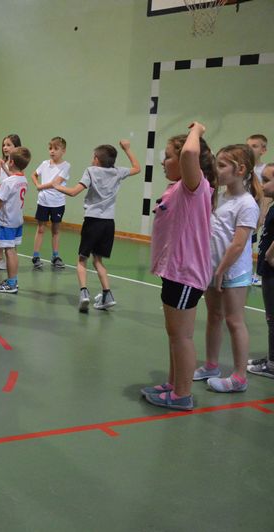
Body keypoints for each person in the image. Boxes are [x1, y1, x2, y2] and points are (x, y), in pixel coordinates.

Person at [142, 122, 215, 411]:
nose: (164, 161)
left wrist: (197, 130)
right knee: (174, 334)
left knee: (182, 336)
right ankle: (173, 384)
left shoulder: (193, 187)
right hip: (174, 271)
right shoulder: (178, 189)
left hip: (186, 273)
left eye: (168, 156)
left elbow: (189, 154)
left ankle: (182, 395)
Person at [192, 144, 261, 392]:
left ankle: (239, 377)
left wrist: (221, 271)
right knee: (214, 316)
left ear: (240, 170)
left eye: (222, 165)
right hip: (212, 270)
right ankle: (211, 365)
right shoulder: (219, 196)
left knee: (234, 321)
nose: (216, 169)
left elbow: (238, 244)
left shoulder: (247, 204)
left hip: (233, 273)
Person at [53, 141, 140, 311]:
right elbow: (137, 168)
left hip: (92, 221)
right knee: (98, 260)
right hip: (108, 223)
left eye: (93, 157)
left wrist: (57, 186)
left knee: (82, 259)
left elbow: (73, 192)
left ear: (97, 159)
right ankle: (107, 294)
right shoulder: (118, 172)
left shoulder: (91, 171)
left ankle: (84, 293)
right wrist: (127, 149)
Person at [0, 147, 32, 294]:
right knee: (13, 250)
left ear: (11, 162)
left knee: (9, 251)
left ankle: (12, 283)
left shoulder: (8, 182)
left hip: (7, 222)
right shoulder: (23, 179)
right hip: (18, 220)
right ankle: (13, 280)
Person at [248, 163, 274, 379]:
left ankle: (272, 364)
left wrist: (270, 255)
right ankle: (271, 356)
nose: (262, 184)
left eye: (266, 180)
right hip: (267, 269)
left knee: (272, 317)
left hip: (272, 270)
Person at [30, 137, 70, 271]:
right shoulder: (44, 164)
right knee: (41, 229)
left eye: (56, 149)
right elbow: (33, 175)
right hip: (43, 202)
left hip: (58, 203)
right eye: (50, 148)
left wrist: (40, 186)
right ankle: (36, 256)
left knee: (56, 230)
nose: (52, 151)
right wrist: (37, 184)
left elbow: (55, 183)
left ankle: (55, 256)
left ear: (63, 151)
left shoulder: (66, 166)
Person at [0, 134, 22, 269]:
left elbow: (15, 178)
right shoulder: (3, 163)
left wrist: (4, 167)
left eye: (8, 145)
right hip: (1, 202)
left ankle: (9, 260)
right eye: (4, 145)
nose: (5, 148)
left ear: (16, 147)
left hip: (11, 205)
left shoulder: (17, 164)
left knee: (9, 234)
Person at [247, 134, 268, 287]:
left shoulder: (265, 170)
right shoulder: (242, 167)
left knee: (250, 243)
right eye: (248, 146)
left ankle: (251, 274)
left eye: (254, 146)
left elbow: (266, 196)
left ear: (263, 150)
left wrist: (262, 214)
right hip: (242, 211)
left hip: (255, 213)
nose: (250, 149)